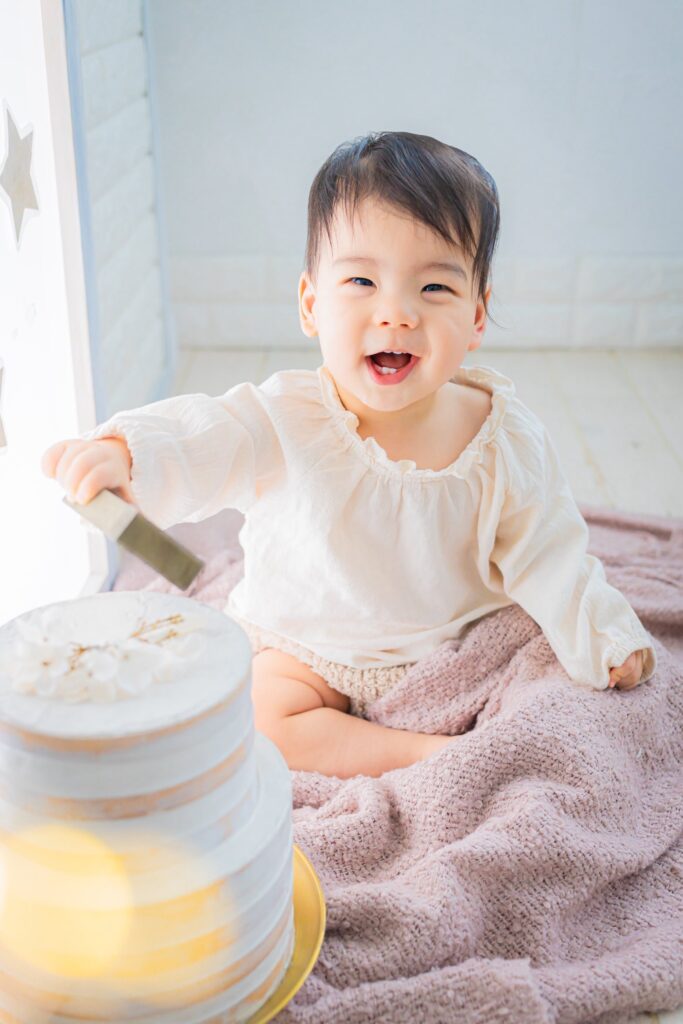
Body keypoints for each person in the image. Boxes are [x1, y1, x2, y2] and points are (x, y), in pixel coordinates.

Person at [41, 131, 656, 780]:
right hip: (308, 646)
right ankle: (430, 759)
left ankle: (469, 743)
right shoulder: (287, 418)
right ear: (311, 303)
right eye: (361, 280)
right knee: (255, 716)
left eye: (435, 290)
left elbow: (550, 551)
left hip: (451, 651)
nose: (394, 314)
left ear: (477, 315)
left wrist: (604, 638)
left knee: (553, 697)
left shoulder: (500, 437)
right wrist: (126, 455)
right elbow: (202, 437)